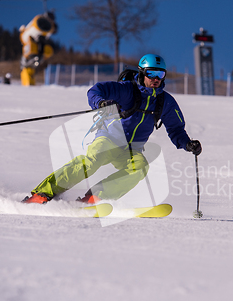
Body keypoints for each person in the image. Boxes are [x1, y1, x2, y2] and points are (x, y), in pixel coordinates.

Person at [23, 54, 202, 204]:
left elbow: (176, 128)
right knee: (92, 161)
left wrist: (187, 144)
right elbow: (95, 90)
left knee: (140, 167)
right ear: (142, 72)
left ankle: (96, 196)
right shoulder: (126, 90)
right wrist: (101, 103)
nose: (156, 79)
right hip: (109, 138)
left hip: (132, 148)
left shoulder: (166, 101)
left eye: (160, 75)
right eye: (151, 73)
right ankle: (42, 194)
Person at [19, 12, 57, 86]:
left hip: (37, 49)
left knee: (46, 51)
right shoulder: (37, 23)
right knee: (27, 69)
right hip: (32, 50)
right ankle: (27, 83)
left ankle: (30, 83)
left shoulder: (45, 31)